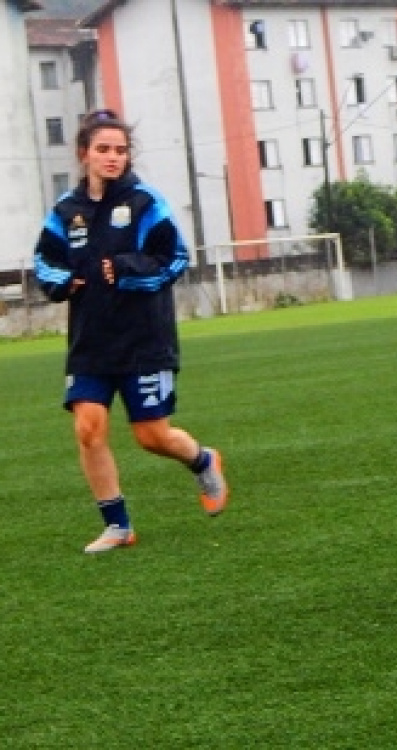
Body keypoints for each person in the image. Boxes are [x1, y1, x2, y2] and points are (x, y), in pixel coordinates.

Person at [33, 108, 228, 554]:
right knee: (88, 429)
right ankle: (118, 526)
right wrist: (62, 281)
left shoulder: (145, 203)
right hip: (90, 342)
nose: (113, 157)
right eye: (103, 149)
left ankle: (203, 460)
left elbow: (175, 258)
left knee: (151, 436)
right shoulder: (66, 211)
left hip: (144, 341)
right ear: (83, 154)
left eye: (120, 150)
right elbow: (44, 261)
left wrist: (125, 269)